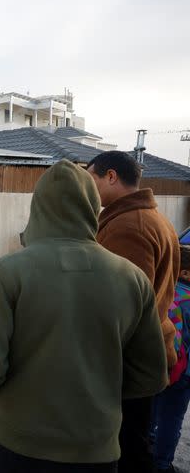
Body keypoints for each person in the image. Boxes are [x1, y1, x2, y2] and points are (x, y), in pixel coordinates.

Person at [0, 160, 167, 473]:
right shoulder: (132, 278)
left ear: (38, 205)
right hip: (96, 447)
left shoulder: (9, 272)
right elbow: (150, 375)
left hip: (21, 443)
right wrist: (98, 389)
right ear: (92, 206)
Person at [87, 150, 180, 473]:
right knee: (137, 440)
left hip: (129, 363)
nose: (88, 188)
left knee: (127, 451)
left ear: (111, 176)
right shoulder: (150, 217)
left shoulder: (129, 227)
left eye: (91, 178)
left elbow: (121, 310)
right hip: (146, 354)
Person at [151, 245, 190, 473]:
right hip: (184, 374)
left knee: (152, 412)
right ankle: (162, 464)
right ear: (184, 272)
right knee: (172, 419)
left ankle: (145, 450)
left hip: (160, 367)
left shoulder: (162, 293)